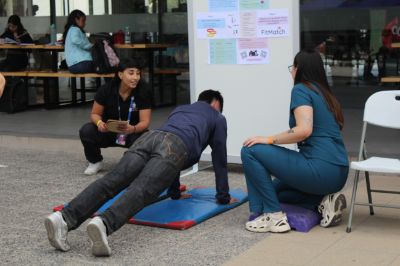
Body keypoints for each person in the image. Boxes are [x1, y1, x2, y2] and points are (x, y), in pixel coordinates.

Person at [45, 90, 237, 257]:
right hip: (175, 147)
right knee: (143, 189)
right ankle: (104, 223)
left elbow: (172, 147)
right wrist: (223, 196)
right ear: (215, 104)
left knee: (113, 180)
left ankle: (63, 218)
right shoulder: (217, 117)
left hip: (150, 138)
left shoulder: (181, 109)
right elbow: (219, 159)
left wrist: (175, 192)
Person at [241, 49, 349, 233]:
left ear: (299, 69)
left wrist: (268, 139)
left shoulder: (301, 89)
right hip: (338, 174)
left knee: (250, 150)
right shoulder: (326, 95)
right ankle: (322, 201)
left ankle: (273, 216)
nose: (291, 71)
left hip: (319, 168)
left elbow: (303, 130)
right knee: (272, 191)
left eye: (292, 67)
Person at [79, 57, 152, 175]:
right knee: (87, 130)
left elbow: (145, 121)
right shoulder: (106, 90)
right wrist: (99, 123)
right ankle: (95, 161)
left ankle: (133, 163)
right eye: (131, 73)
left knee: (146, 137)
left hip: (131, 132)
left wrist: (133, 129)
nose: (135, 77)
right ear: (120, 74)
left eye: (138, 74)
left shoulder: (143, 92)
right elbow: (95, 114)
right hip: (108, 130)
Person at [63, 9, 94, 74]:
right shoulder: (75, 29)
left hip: (73, 65)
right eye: (83, 20)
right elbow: (76, 40)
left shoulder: (71, 30)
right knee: (104, 65)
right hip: (81, 64)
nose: (85, 23)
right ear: (76, 20)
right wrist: (90, 46)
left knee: (103, 65)